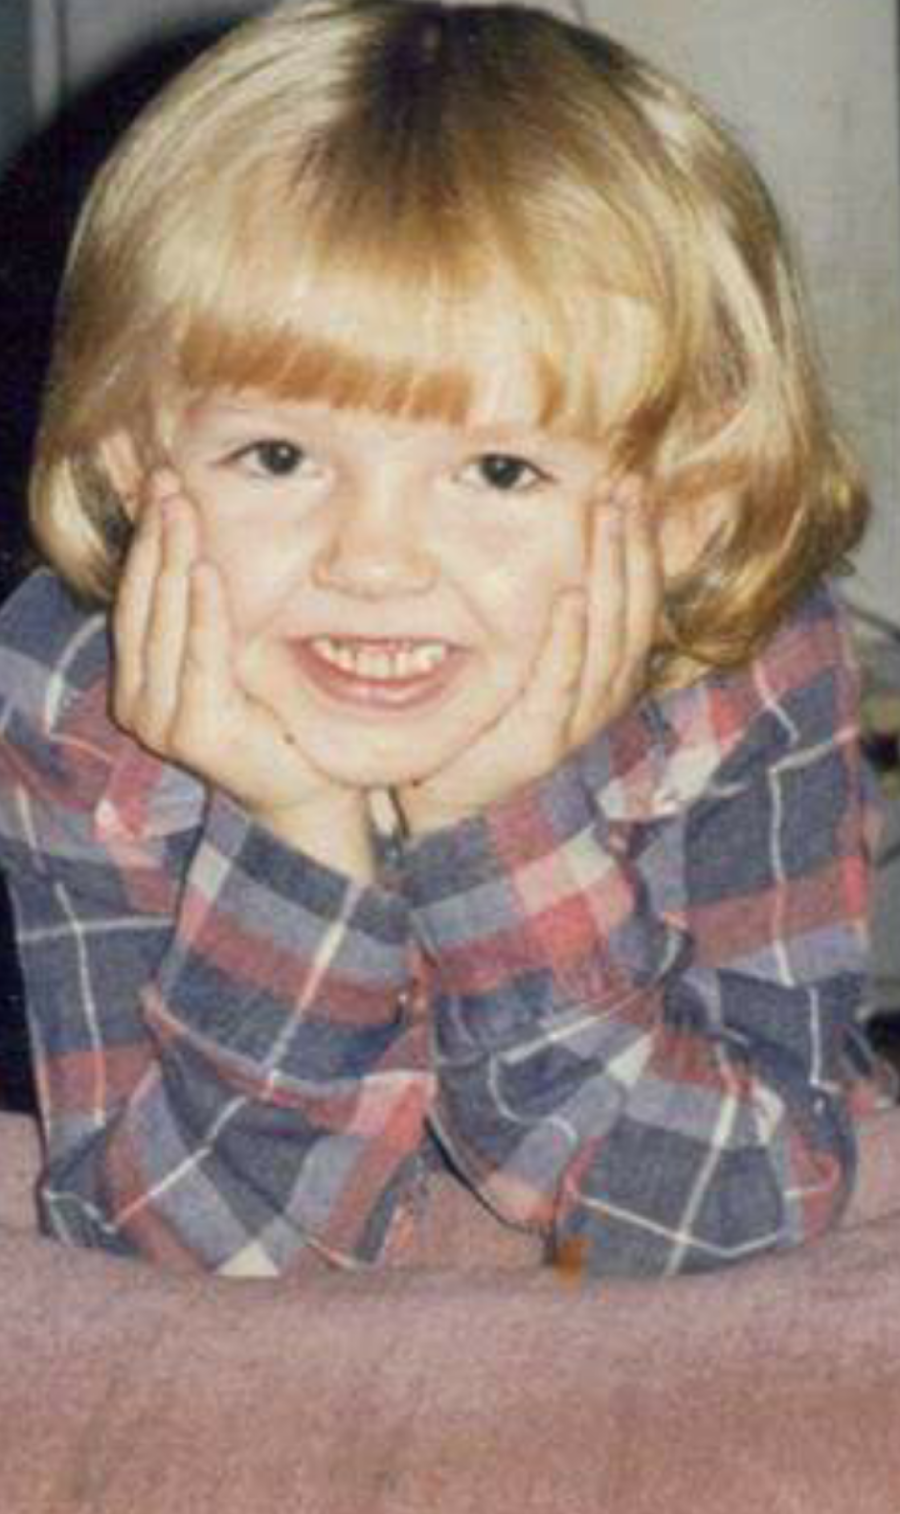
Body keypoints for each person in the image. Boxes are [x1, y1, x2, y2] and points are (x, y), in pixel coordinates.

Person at [0, 0, 883, 1279]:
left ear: (688, 511)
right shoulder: (74, 684)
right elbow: (185, 1249)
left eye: (504, 470)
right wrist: (298, 831)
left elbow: (732, 1201)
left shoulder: (750, 666)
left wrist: (498, 817)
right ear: (135, 459)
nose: (373, 560)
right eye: (281, 454)